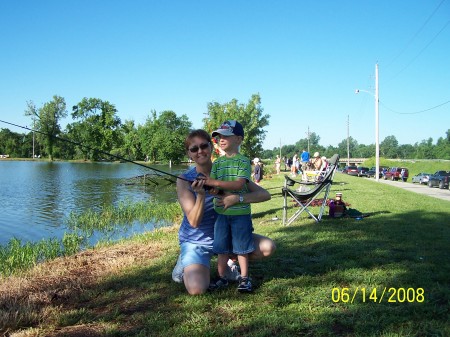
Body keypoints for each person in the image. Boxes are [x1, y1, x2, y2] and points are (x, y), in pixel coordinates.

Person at [173, 128, 275, 295]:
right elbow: (193, 222)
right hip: (196, 241)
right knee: (196, 289)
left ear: (211, 147)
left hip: (227, 236)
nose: (200, 151)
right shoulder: (184, 180)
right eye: (194, 149)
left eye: (204, 146)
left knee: (267, 247)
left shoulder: (226, 170)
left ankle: (228, 261)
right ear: (189, 154)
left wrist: (236, 199)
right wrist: (200, 195)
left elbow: (264, 194)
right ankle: (184, 263)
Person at [204, 120, 257, 293]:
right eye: (219, 136)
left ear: (239, 140)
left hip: (240, 214)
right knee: (221, 248)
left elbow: (239, 184)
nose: (221, 139)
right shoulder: (217, 163)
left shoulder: (243, 161)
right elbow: (215, 188)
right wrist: (208, 187)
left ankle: (244, 278)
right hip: (221, 213)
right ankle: (222, 278)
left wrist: (213, 182)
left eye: (226, 135)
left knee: (242, 248)